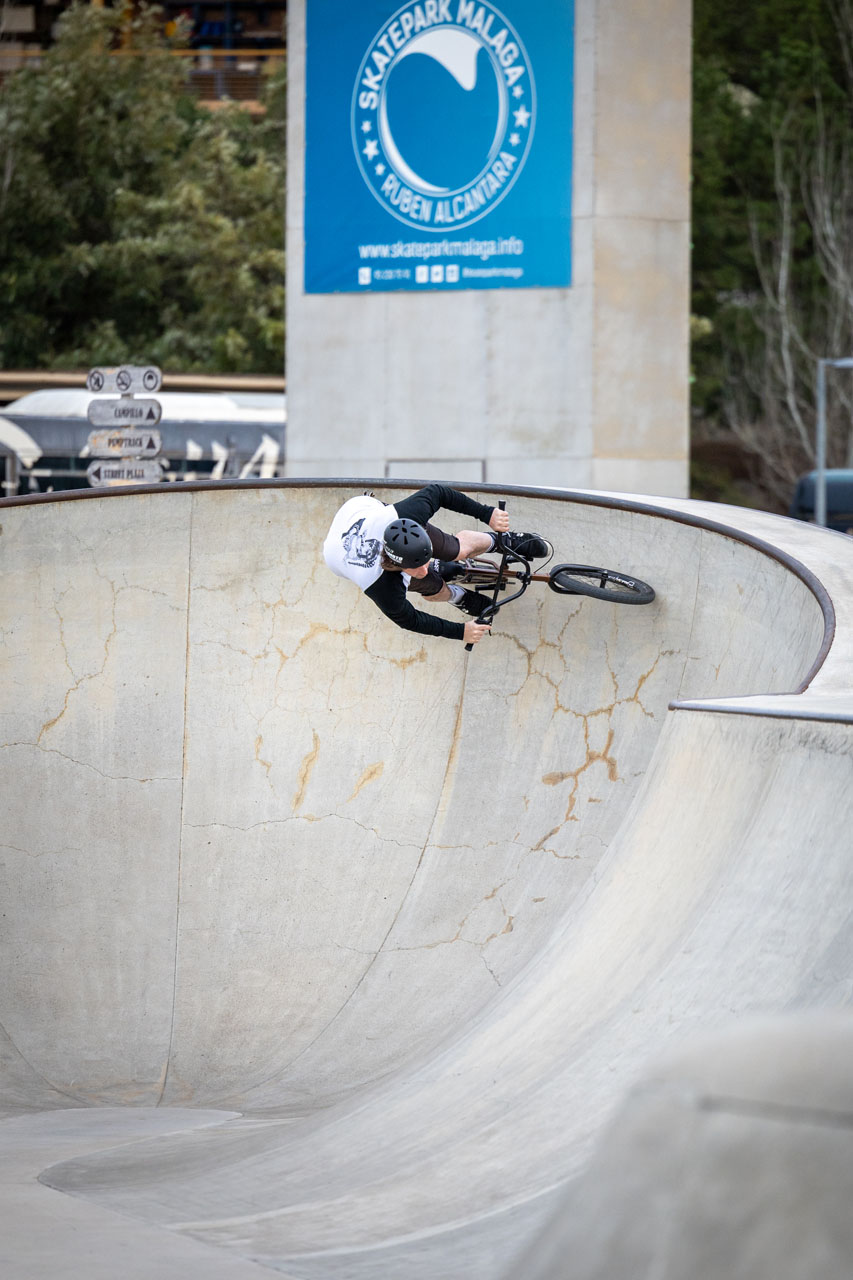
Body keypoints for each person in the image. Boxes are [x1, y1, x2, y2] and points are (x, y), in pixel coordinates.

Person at [323, 483, 548, 645]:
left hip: (359, 508)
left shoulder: (407, 516)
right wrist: (462, 632)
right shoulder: (380, 585)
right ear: (397, 565)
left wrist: (487, 514)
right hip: (336, 553)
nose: (424, 567)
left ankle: (501, 542)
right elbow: (411, 620)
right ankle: (457, 596)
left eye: (426, 559)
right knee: (431, 586)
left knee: (456, 550)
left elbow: (438, 492)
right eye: (415, 567)